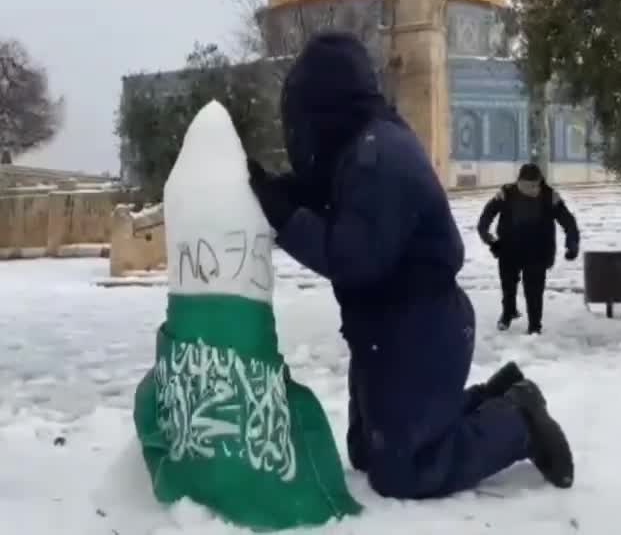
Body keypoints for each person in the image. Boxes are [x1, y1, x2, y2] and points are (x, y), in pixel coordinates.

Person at [245, 31, 574, 500]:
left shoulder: (381, 157)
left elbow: (353, 256)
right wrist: (283, 192)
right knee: (367, 450)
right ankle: (495, 395)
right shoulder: (361, 147)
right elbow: (336, 200)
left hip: (420, 329)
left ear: (323, 114)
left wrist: (285, 216)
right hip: (385, 332)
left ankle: (516, 422)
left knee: (407, 470)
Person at [477, 163, 580, 335]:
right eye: (526, 185)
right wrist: (490, 239)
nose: (530, 189)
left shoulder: (549, 196)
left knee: (534, 290)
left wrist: (572, 244)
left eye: (534, 185)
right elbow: (485, 219)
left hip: (538, 250)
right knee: (508, 285)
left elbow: (569, 222)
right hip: (509, 248)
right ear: (519, 182)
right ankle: (508, 313)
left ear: (540, 182)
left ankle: (534, 326)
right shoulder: (506, 194)